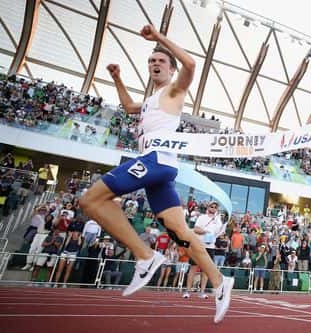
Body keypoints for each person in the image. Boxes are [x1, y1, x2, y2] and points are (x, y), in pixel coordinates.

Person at [79, 24, 233, 323]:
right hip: (160, 171)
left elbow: (190, 64)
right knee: (180, 231)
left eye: (161, 61)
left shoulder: (174, 91)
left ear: (171, 69)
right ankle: (219, 281)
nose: (155, 64)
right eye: (151, 61)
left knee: (90, 200)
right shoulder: (150, 100)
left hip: (155, 161)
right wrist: (117, 78)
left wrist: (159, 39)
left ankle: (145, 255)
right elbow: (127, 106)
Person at [184, 201, 224, 299]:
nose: (213, 208)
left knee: (206, 270)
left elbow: (219, 233)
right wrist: (205, 232)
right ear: (208, 207)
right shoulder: (202, 217)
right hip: (198, 245)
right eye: (212, 206)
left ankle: (202, 292)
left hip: (210, 247)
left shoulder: (218, 221)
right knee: (193, 268)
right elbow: (196, 229)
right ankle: (187, 291)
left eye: (215, 207)